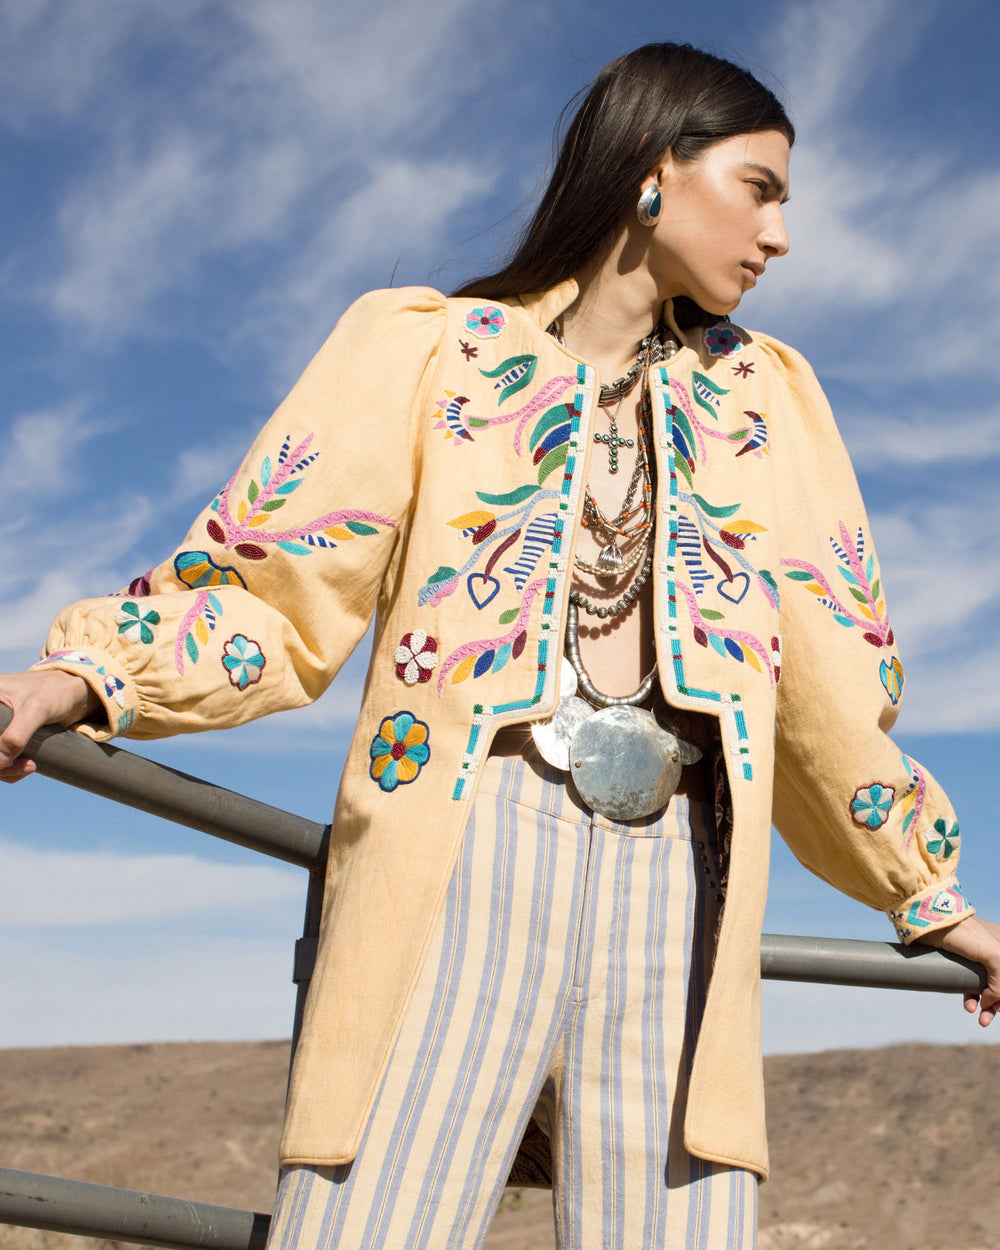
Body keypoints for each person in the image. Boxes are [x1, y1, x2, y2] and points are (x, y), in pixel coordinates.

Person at [1, 41, 998, 1250]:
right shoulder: (425, 353)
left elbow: (826, 692)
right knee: (375, 1220)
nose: (780, 233)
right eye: (760, 186)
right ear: (653, 168)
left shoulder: (770, 401)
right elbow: (279, 588)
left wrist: (929, 898)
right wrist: (96, 670)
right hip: (460, 851)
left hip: (685, 884)